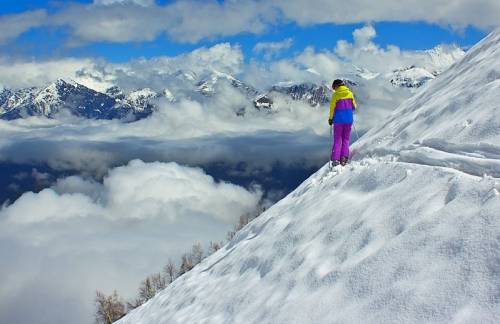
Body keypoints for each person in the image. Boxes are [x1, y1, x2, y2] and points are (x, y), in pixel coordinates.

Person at [328, 79, 357, 167]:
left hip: (338, 121)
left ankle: (336, 160)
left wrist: (330, 119)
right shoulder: (350, 93)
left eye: (334, 87)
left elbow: (332, 109)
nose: (334, 89)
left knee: (337, 140)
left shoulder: (335, 95)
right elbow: (354, 106)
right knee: (346, 139)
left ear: (337, 86)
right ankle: (344, 158)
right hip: (349, 120)